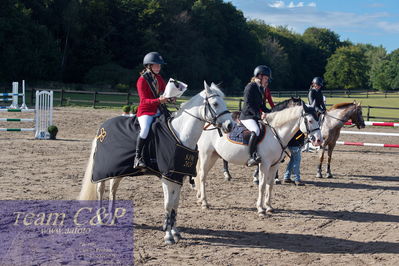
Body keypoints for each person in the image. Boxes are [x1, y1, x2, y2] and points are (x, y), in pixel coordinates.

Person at [134, 51, 171, 169]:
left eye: (159, 65)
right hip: (145, 111)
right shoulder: (142, 80)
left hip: (158, 109)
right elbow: (144, 100)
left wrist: (171, 97)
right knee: (145, 130)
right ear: (149, 66)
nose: (159, 67)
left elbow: (165, 92)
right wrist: (159, 101)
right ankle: (137, 157)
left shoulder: (159, 78)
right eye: (156, 65)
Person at [240, 65, 272, 167]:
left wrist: (272, 112)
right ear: (259, 76)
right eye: (266, 78)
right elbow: (248, 105)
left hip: (255, 116)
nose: (267, 80)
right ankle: (251, 156)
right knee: (256, 130)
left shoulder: (261, 88)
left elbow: (262, 105)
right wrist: (259, 115)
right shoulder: (250, 87)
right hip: (247, 116)